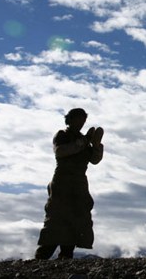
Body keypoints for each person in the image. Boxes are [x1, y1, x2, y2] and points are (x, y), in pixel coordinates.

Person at [35, 108, 104, 259]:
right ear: (70, 119)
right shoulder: (62, 135)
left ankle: (66, 258)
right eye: (78, 119)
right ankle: (40, 259)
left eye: (83, 120)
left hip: (79, 183)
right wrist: (83, 142)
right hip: (62, 181)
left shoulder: (84, 139)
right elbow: (60, 151)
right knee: (56, 219)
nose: (81, 122)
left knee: (76, 219)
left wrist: (96, 146)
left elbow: (94, 160)